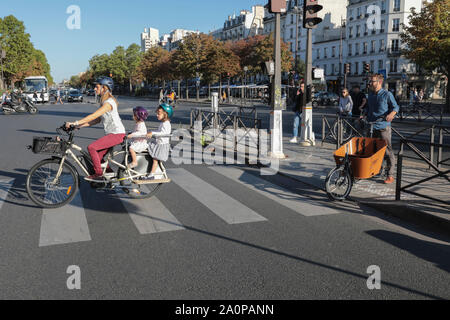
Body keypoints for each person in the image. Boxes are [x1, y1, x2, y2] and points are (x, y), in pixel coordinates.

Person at [65, 77, 126, 182]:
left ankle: (98, 174)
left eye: (97, 87)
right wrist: (78, 126)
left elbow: (93, 116)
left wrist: (75, 122)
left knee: (92, 148)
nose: (94, 89)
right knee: (98, 156)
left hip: (117, 134)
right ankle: (111, 177)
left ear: (104, 88)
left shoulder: (108, 103)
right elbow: (97, 120)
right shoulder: (105, 102)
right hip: (112, 134)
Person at [363, 73, 399, 184]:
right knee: (374, 151)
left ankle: (390, 175)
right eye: (370, 81)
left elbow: (396, 107)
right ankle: (377, 171)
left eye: (372, 81)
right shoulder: (370, 95)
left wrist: (391, 114)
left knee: (387, 152)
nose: (370, 83)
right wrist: (364, 114)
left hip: (383, 127)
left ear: (379, 82)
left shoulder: (387, 94)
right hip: (371, 126)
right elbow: (368, 108)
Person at [145, 103, 172, 180]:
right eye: (157, 113)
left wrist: (153, 133)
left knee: (155, 160)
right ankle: (152, 172)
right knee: (153, 157)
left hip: (161, 145)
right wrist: (152, 132)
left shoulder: (166, 124)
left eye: (159, 113)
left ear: (165, 114)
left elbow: (163, 133)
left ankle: (152, 175)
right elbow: (159, 131)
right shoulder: (163, 123)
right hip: (159, 143)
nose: (157, 115)